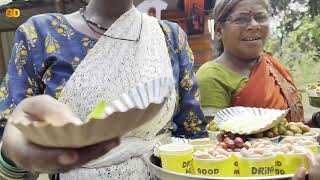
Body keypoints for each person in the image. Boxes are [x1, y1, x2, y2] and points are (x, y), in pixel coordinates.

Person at [0, 0, 207, 179]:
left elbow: (192, 135)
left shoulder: (169, 37)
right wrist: (12, 157)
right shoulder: (41, 34)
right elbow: (12, 139)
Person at [196, 0, 304, 122]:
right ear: (219, 31)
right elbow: (217, 137)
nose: (254, 25)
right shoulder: (211, 76)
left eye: (260, 17)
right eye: (241, 19)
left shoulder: (273, 66)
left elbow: (293, 126)